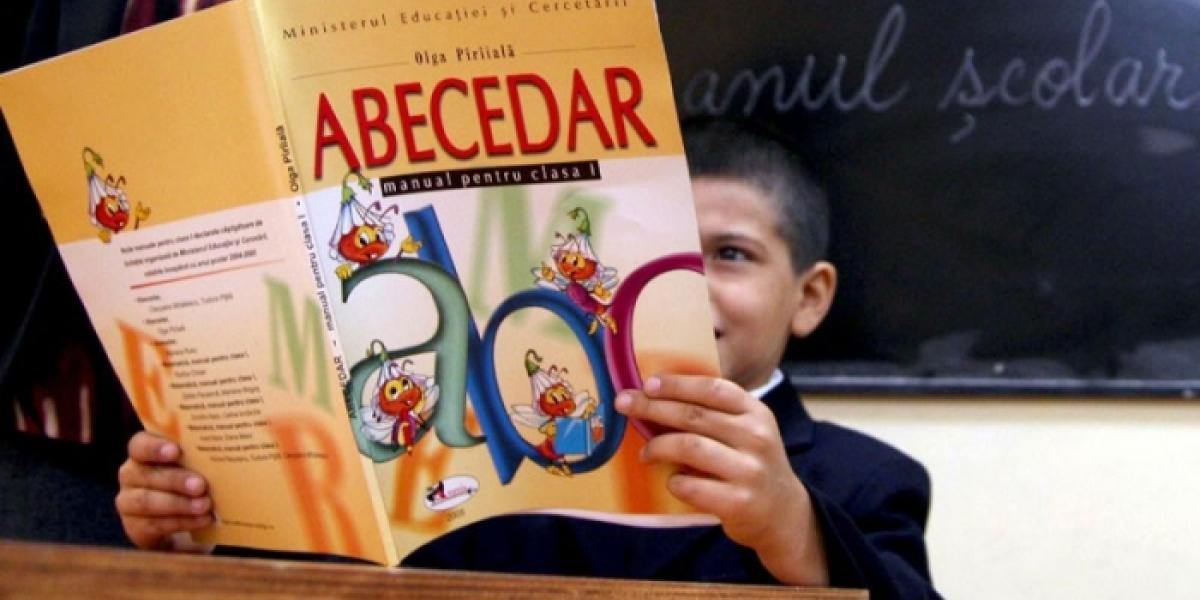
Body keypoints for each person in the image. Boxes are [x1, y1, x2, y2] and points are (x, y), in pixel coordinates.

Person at [116, 117, 940, 598]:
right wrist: (212, 540)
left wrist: (798, 532)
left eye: (729, 255)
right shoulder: (483, 442)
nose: (680, 283)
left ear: (810, 296)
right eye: (650, 248)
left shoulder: (863, 483)